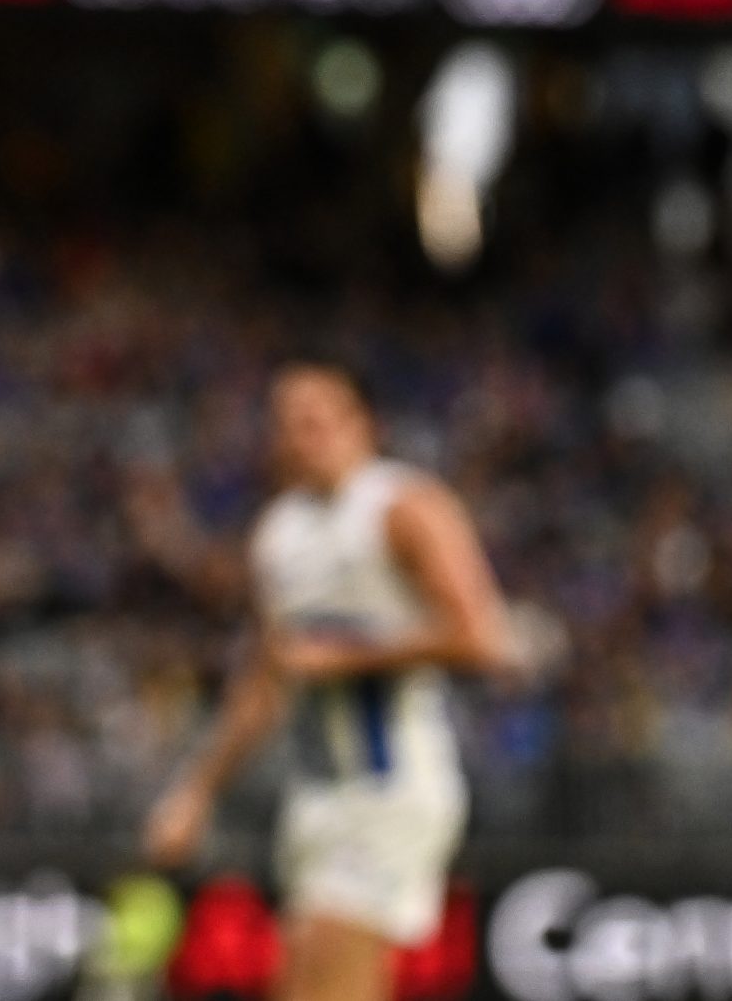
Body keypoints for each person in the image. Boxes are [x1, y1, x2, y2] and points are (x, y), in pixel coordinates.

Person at [142, 362, 518, 1001]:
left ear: (360, 423)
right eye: (286, 419)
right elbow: (265, 681)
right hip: (317, 797)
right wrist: (196, 791)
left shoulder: (402, 506)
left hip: (391, 787)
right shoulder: (279, 532)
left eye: (316, 416)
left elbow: (484, 639)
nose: (299, 432)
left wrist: (345, 657)